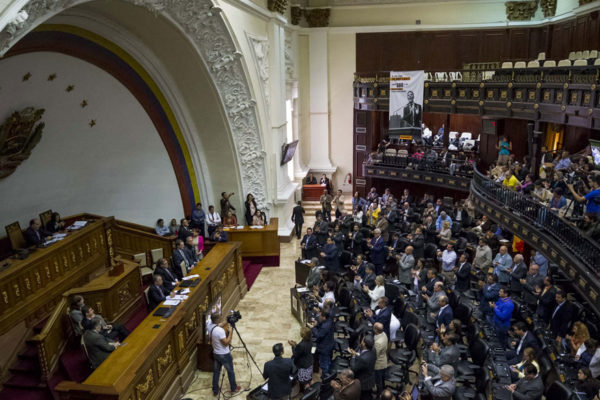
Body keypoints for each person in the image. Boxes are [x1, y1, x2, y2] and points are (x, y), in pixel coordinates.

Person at [209, 314, 241, 396]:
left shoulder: (210, 326)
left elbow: (219, 325)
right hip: (224, 355)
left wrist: (227, 320)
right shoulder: (220, 331)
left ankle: (215, 390)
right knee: (230, 371)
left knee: (216, 372)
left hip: (216, 354)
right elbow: (226, 343)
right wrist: (230, 332)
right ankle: (234, 388)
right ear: (218, 319)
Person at [348, 335, 376, 400]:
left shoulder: (364, 359)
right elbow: (361, 354)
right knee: (368, 394)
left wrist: (353, 356)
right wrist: (356, 353)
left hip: (363, 383)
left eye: (362, 340)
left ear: (364, 344)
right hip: (370, 377)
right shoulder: (373, 349)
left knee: (364, 396)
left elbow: (353, 368)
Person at [310, 309, 334, 377]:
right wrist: (317, 324)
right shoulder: (329, 319)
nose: (319, 317)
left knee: (324, 364)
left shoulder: (325, 326)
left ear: (324, 317)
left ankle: (325, 378)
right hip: (329, 343)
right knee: (328, 361)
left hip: (324, 347)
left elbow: (318, 335)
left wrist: (313, 328)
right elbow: (321, 323)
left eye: (320, 316)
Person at [372, 323, 388, 395]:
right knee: (382, 379)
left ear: (375, 330)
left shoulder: (378, 343)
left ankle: (380, 395)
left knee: (379, 382)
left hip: (379, 364)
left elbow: (375, 355)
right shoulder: (383, 333)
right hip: (383, 359)